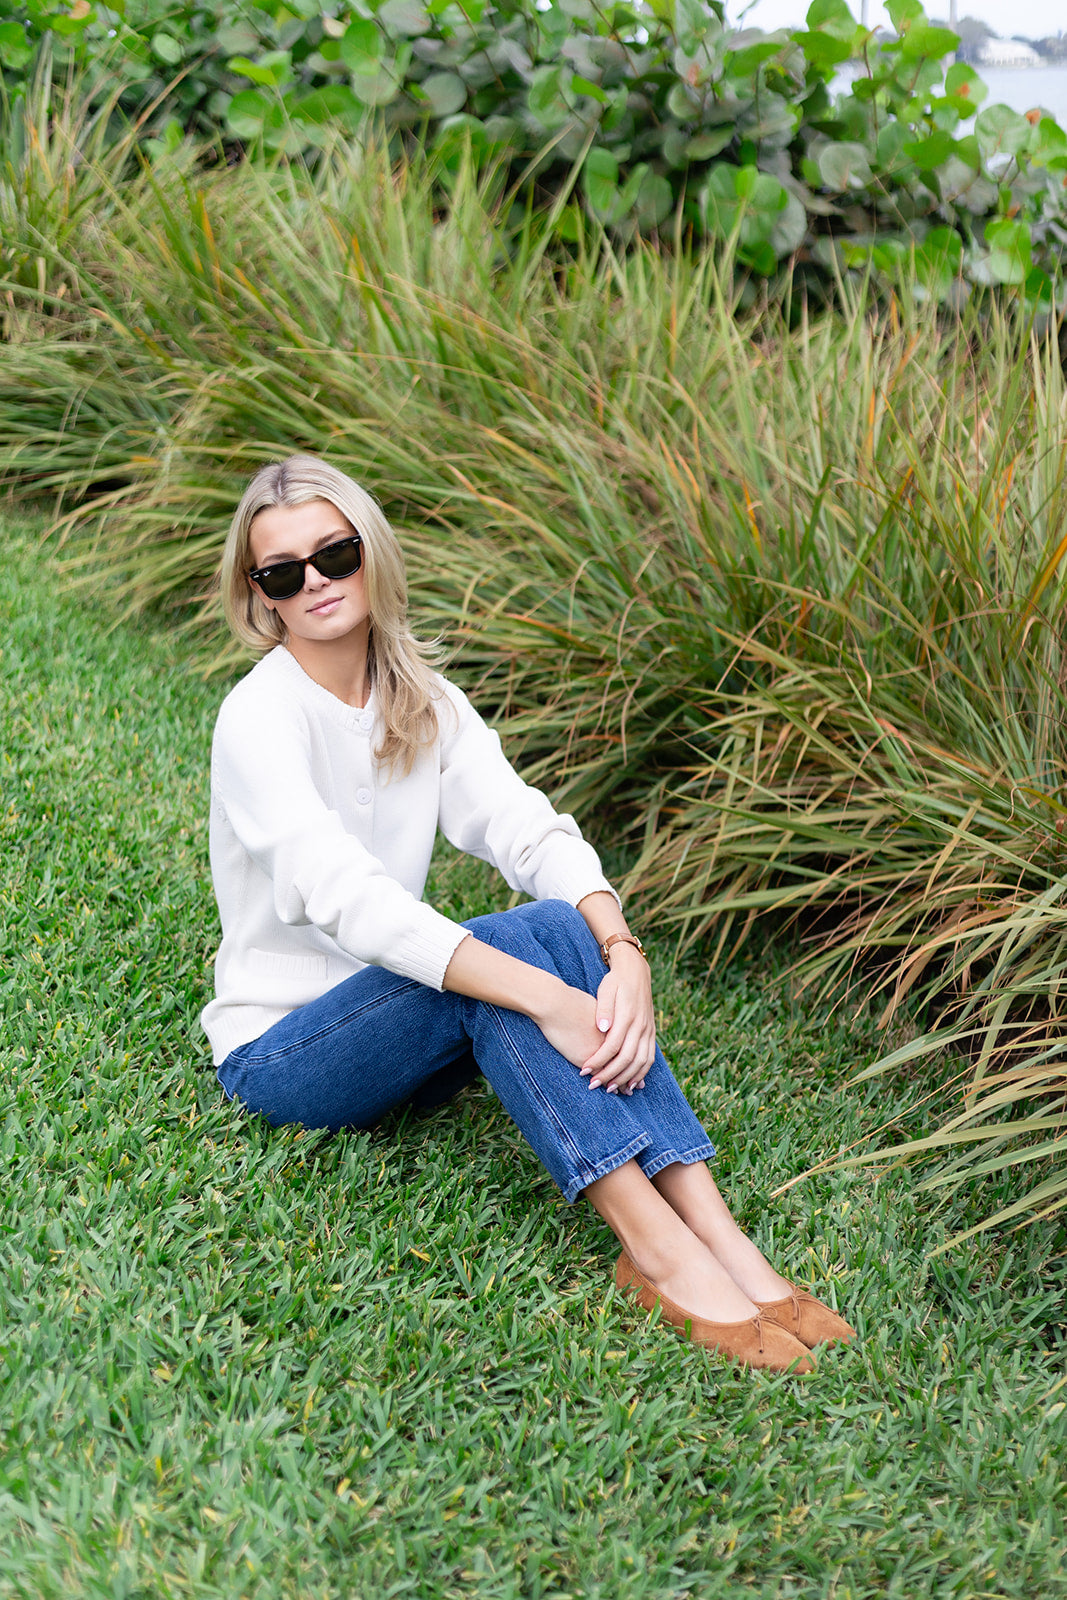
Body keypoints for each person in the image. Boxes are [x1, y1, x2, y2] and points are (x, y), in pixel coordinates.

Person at [203, 454, 855, 1374]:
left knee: (553, 923)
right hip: (286, 1058)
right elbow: (349, 901)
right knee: (510, 958)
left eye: (334, 553)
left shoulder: (421, 699)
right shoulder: (257, 717)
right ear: (259, 594)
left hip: (407, 1039)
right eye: (282, 572)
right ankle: (657, 1253)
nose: (314, 581)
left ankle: (717, 1234)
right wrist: (551, 998)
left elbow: (525, 826)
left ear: (369, 551)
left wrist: (619, 947)